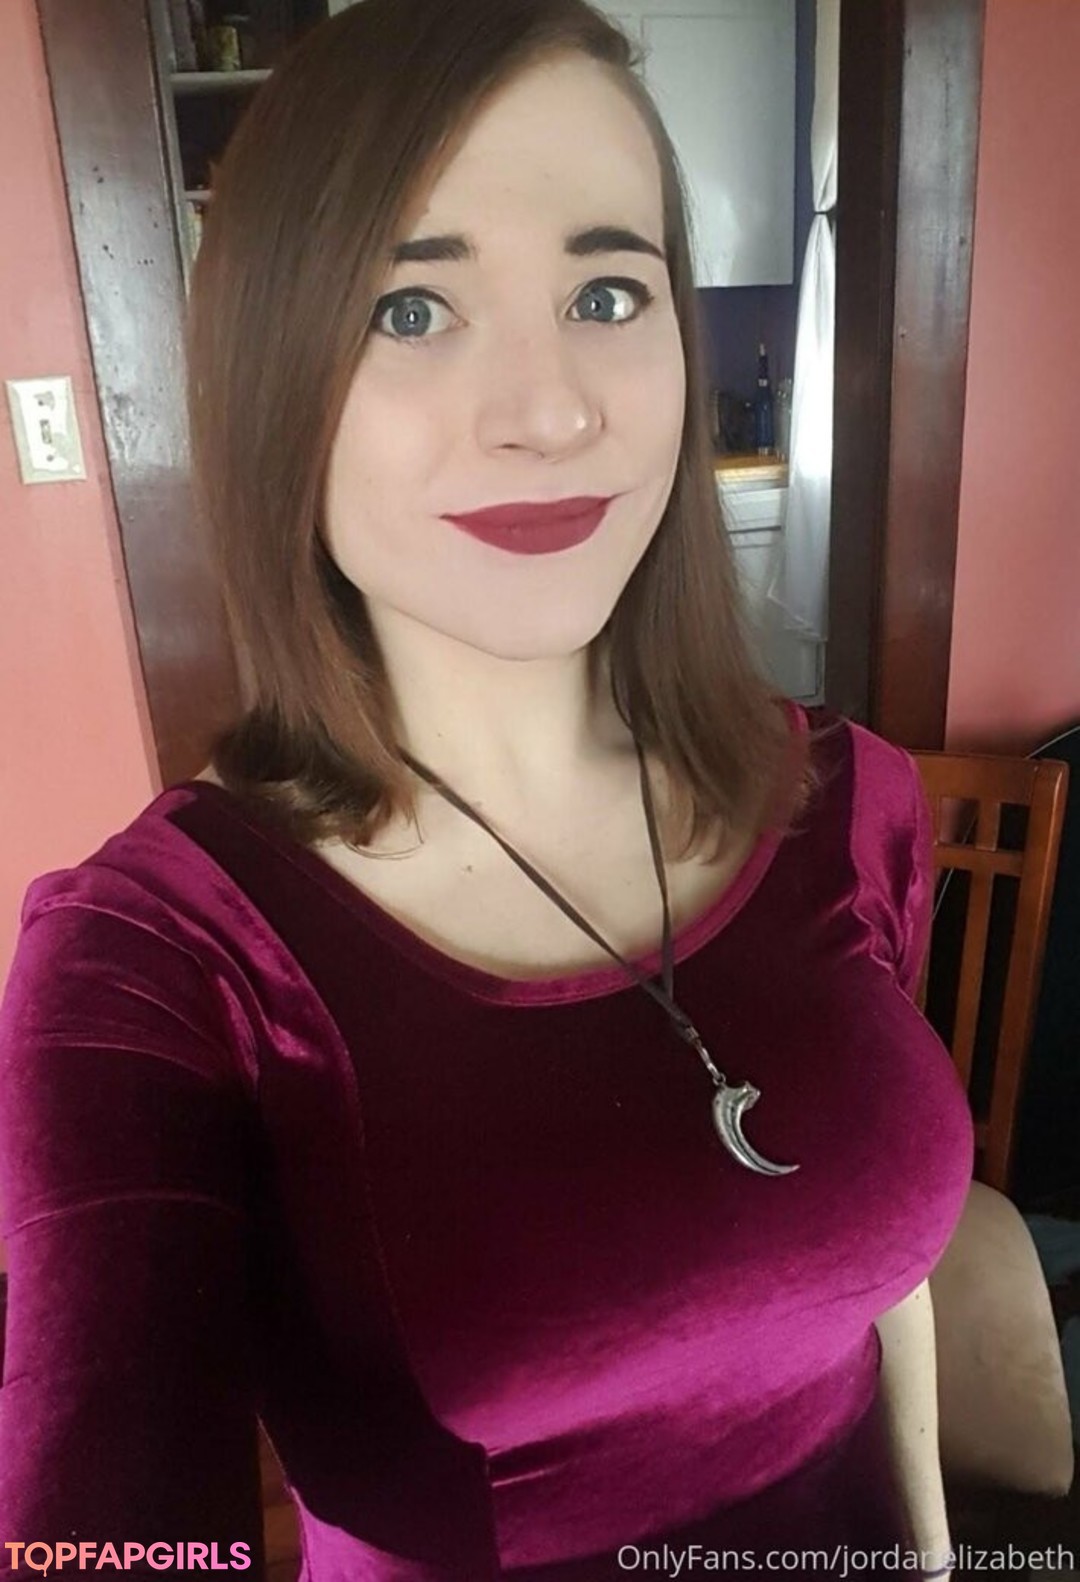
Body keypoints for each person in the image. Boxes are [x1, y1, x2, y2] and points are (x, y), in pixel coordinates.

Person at [0, 0, 974, 1576]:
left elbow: (878, 1283)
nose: (552, 409)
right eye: (411, 309)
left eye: (607, 292)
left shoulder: (851, 797)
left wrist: (931, 1550)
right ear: (273, 376)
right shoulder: (157, 965)